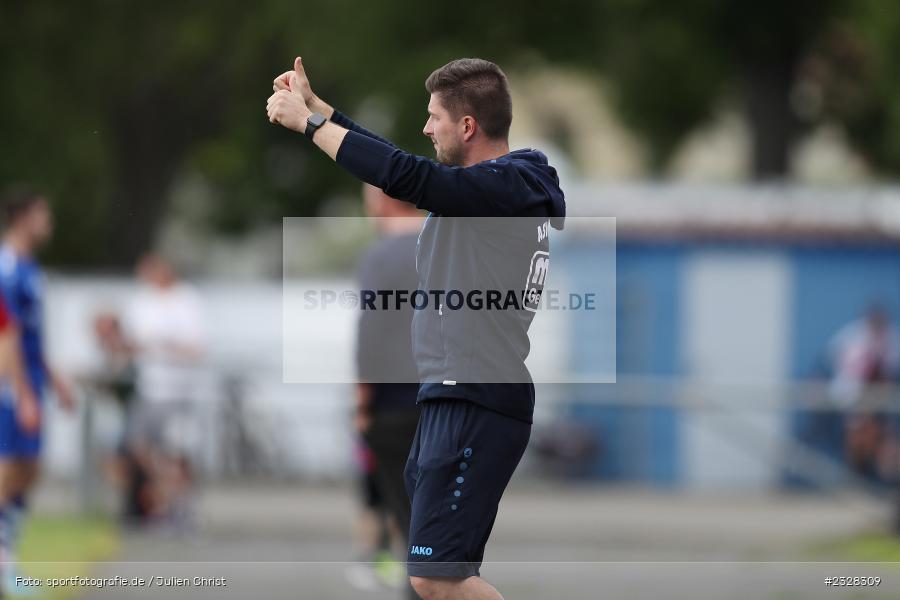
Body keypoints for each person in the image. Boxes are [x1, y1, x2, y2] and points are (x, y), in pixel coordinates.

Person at [268, 57, 565, 600]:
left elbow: (405, 176)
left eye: (434, 117)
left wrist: (311, 128)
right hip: (451, 396)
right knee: (431, 577)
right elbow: (402, 168)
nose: (427, 128)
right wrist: (323, 110)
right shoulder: (489, 189)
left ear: (468, 126)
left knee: (436, 578)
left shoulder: (505, 188)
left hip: (476, 399)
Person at [0, 187, 76, 594]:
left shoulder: (29, 268)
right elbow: (5, 335)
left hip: (29, 379)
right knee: (10, 469)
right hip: (12, 385)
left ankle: (7, 558)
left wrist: (55, 380)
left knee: (28, 470)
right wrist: (23, 392)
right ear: (22, 218)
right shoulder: (7, 267)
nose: (48, 223)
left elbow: (30, 335)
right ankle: (5, 566)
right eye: (42, 215)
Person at [354, 184, 423, 598]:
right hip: (447, 400)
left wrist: (361, 403)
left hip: (395, 404)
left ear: (382, 201)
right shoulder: (446, 246)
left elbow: (371, 335)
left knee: (406, 514)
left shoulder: (381, 255)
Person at [124, 253, 206, 526]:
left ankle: (180, 508)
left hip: (178, 391)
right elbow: (132, 342)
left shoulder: (187, 300)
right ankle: (161, 502)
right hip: (149, 389)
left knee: (177, 452)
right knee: (140, 448)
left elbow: (197, 347)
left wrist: (166, 345)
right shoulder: (141, 302)